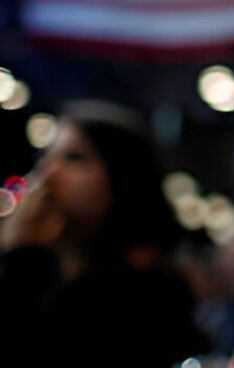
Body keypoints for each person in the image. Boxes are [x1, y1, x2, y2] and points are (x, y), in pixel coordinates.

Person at [0, 99, 209, 366]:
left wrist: (20, 255)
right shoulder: (56, 270)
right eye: (47, 155)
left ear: (123, 179)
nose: (47, 172)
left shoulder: (137, 292)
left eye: (74, 158)